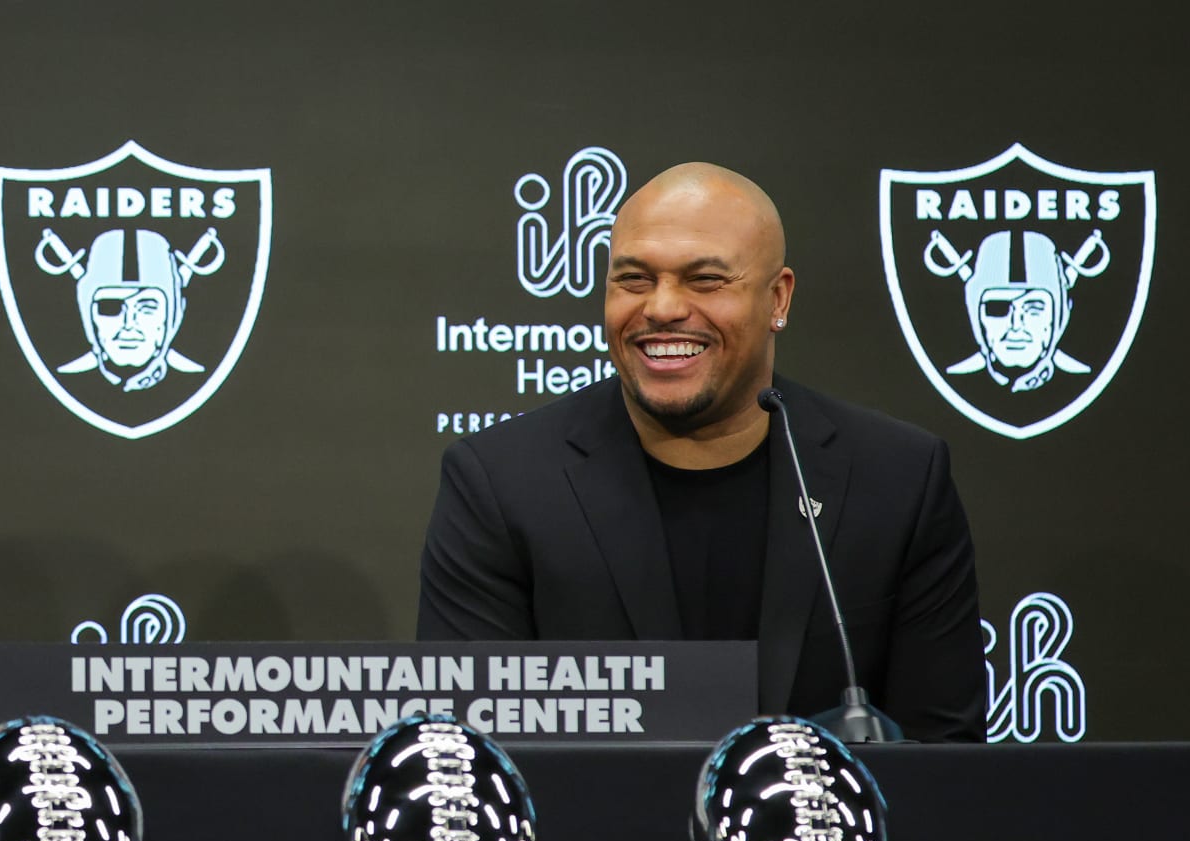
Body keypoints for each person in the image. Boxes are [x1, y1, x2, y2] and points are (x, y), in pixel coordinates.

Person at [417, 162, 985, 742]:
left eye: (706, 280)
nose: (662, 307)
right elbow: (473, 759)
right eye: (633, 279)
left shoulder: (897, 479)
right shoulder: (500, 483)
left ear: (778, 299)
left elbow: (947, 765)